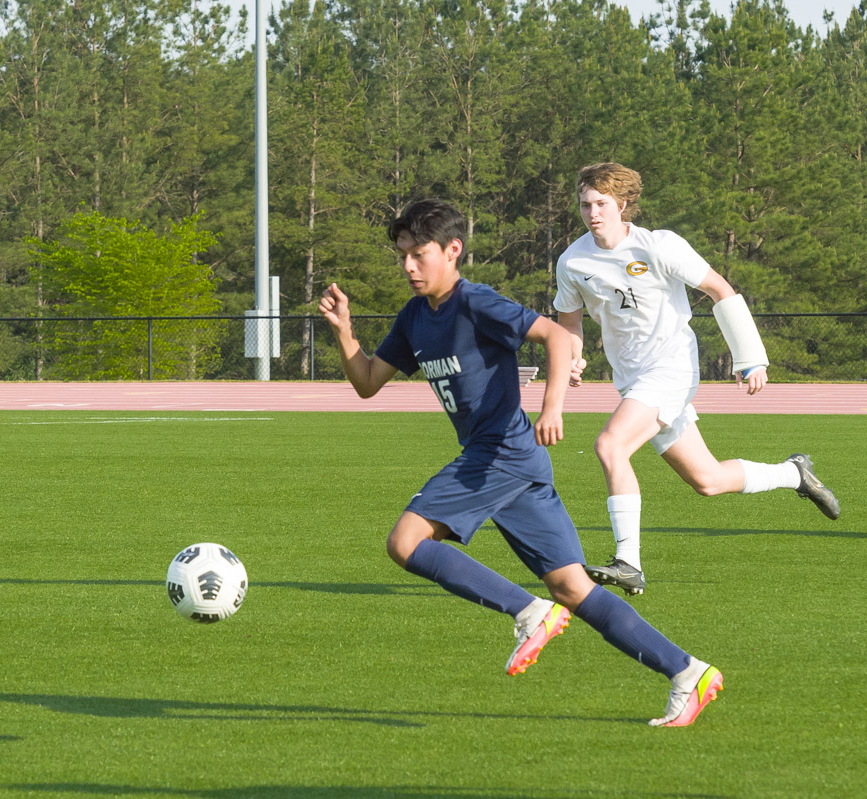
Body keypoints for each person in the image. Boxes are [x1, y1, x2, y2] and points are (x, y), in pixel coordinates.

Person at [319, 198, 722, 727]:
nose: (409, 267)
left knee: (405, 542)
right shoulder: (415, 317)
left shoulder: (476, 302)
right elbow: (369, 382)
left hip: (499, 455)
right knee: (573, 587)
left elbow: (556, 335)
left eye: (419, 254)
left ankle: (528, 612)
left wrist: (552, 405)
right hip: (518, 465)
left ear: (453, 250)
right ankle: (688, 672)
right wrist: (344, 330)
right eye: (402, 256)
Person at [554, 162, 840, 596]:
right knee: (707, 481)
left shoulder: (659, 246)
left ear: (624, 204)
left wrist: (750, 358)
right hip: (632, 379)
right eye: (585, 204)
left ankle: (628, 561)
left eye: (601, 204)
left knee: (610, 445)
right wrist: (573, 358)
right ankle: (794, 474)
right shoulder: (573, 261)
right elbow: (569, 324)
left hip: (671, 366)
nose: (592, 212)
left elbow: (720, 290)